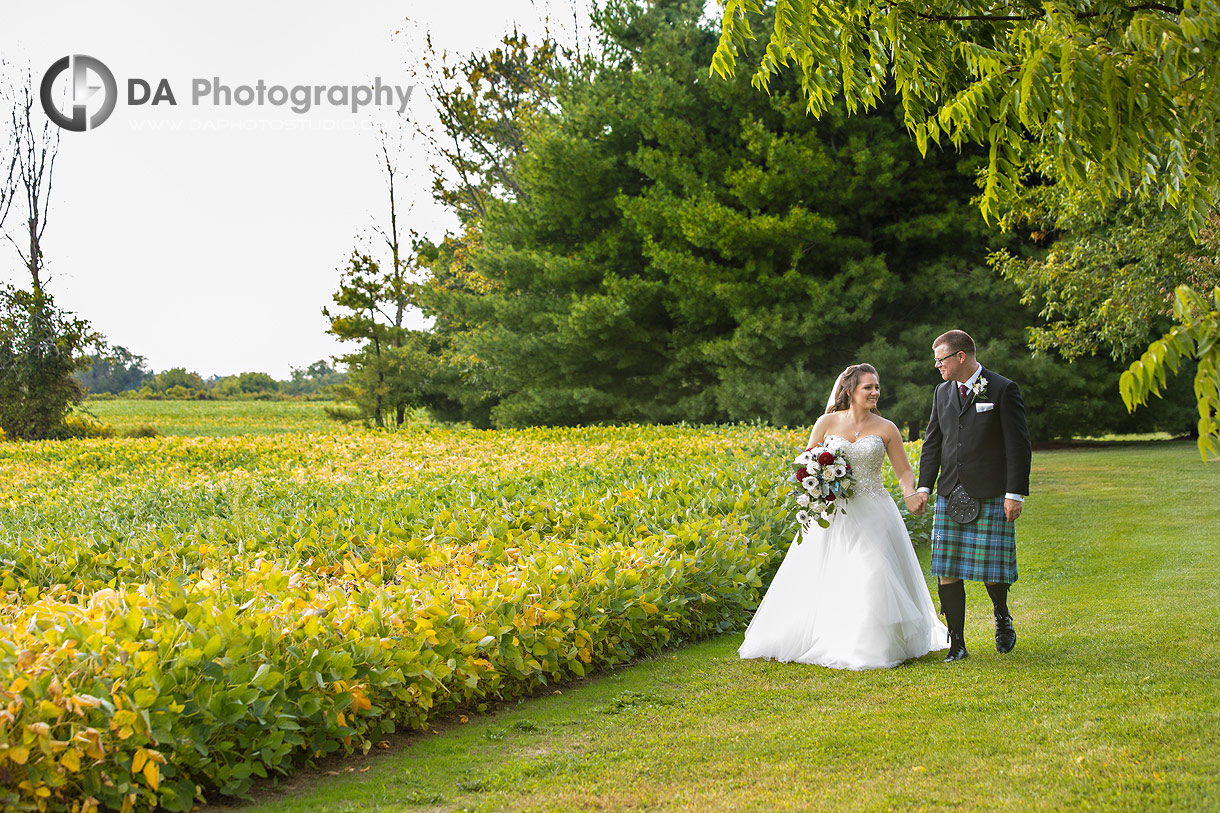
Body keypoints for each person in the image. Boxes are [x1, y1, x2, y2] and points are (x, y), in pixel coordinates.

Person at [738, 363, 948, 670]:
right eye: (868, 387)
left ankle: (873, 646)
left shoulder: (886, 428)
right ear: (850, 390)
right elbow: (807, 462)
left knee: (874, 569)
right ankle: (832, 635)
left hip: (875, 509)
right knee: (834, 573)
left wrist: (909, 492)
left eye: (877, 387)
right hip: (833, 510)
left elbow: (903, 469)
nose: (875, 392)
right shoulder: (826, 422)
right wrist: (816, 484)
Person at [908, 330, 1032, 662]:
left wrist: (1015, 493)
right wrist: (924, 487)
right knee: (947, 568)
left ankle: (1002, 616)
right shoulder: (941, 392)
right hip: (950, 490)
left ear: (961, 357)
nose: (937, 366)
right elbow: (933, 443)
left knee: (993, 569)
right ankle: (957, 643)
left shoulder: (1003, 389)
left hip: (991, 491)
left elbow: (1018, 447)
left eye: (941, 359)